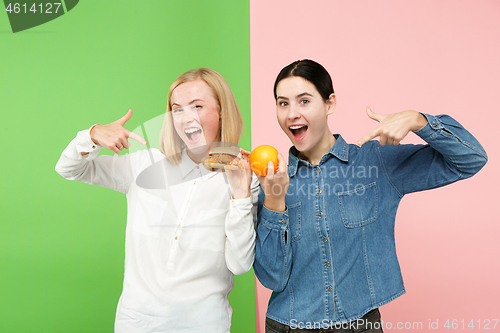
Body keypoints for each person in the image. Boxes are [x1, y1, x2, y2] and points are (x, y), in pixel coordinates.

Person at [253, 59, 487, 332]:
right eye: (283, 103)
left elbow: (470, 159)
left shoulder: (375, 163)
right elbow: (271, 277)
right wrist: (274, 200)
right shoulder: (270, 181)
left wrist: (418, 120)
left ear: (330, 104)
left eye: (304, 101)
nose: (292, 113)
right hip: (287, 326)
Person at [55, 67, 259, 333]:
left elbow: (240, 264)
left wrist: (241, 195)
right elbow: (69, 168)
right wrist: (92, 135)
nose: (187, 118)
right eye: (178, 109)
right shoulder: (145, 164)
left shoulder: (244, 178)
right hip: (137, 323)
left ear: (221, 110)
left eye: (197, 106)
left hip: (205, 324)